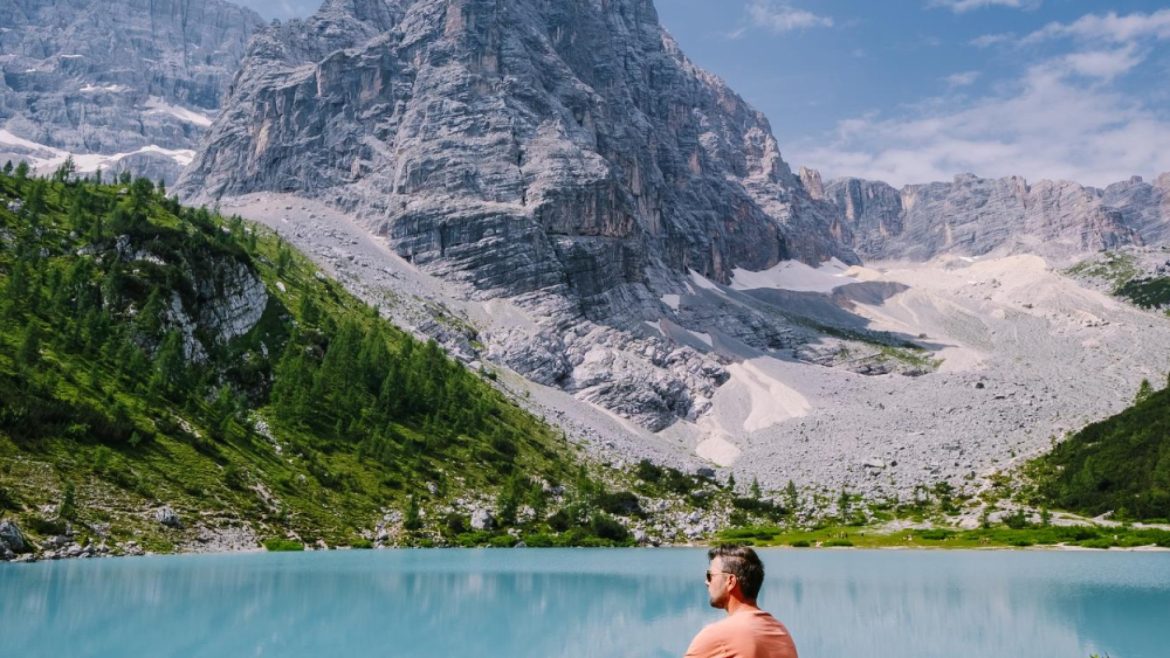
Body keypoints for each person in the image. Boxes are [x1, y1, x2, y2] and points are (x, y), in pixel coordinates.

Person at [684, 544, 798, 658]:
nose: (706, 582)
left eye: (710, 576)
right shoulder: (781, 632)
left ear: (730, 581)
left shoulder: (716, 635)